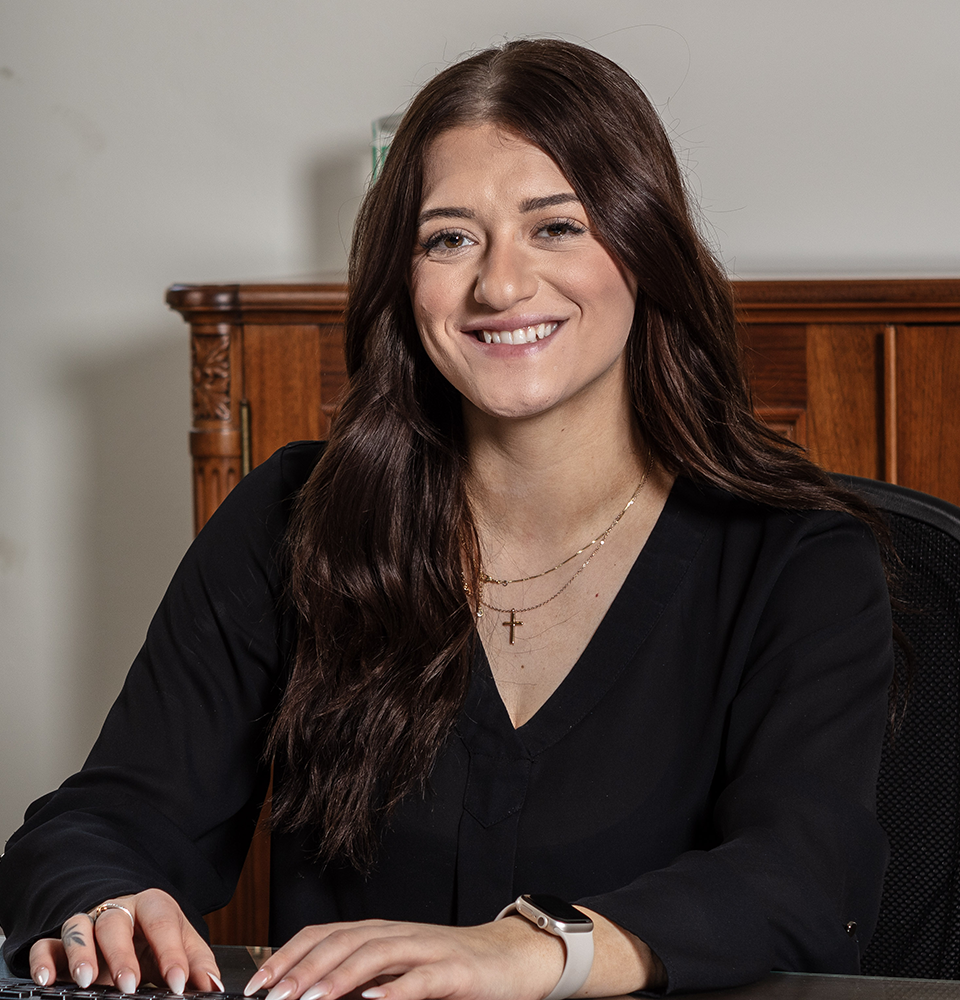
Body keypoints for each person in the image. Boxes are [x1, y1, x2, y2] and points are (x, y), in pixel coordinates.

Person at [0, 38, 895, 998]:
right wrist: (104, 897)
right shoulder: (291, 520)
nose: (500, 286)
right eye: (449, 237)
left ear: (644, 246)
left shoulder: (799, 559)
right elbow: (101, 822)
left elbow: (803, 879)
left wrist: (534, 950)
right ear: (404, 279)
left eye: (556, 227)